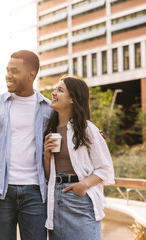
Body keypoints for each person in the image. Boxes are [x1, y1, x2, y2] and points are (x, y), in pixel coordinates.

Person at [0, 50, 52, 240]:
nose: (8, 75)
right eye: (7, 70)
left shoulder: (48, 109)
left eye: (15, 71)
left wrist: (94, 133)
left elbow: (72, 129)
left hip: (36, 193)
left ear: (31, 75)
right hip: (0, 193)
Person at [43, 76, 115, 240]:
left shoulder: (87, 129)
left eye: (60, 90)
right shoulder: (51, 129)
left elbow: (105, 168)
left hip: (79, 200)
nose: (53, 93)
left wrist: (83, 185)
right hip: (55, 199)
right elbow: (49, 176)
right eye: (55, 89)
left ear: (72, 99)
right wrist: (47, 157)